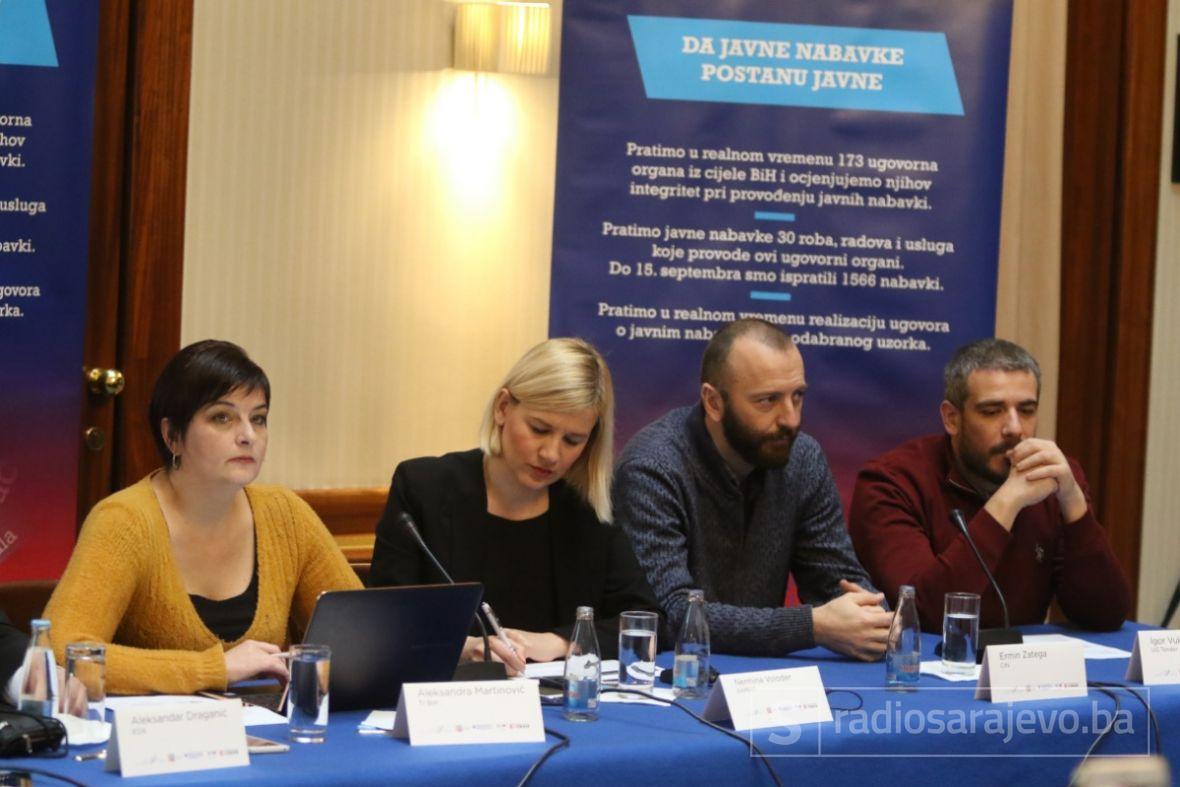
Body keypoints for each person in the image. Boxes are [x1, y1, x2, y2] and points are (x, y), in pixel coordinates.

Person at [44, 340, 361, 695]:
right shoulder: (124, 521)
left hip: (268, 723)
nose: (248, 436)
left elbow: (362, 634)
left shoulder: (285, 514)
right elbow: (60, 653)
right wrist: (214, 669)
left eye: (258, 418)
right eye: (222, 418)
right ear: (172, 436)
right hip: (157, 728)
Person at [368, 338, 658, 672]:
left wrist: (559, 642)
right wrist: (465, 648)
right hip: (449, 692)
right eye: (539, 429)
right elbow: (383, 624)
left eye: (572, 440)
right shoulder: (424, 488)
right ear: (503, 407)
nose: (551, 454)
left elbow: (647, 622)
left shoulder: (588, 508)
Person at [614, 319, 891, 661]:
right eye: (767, 400)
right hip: (675, 677)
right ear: (713, 402)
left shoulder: (802, 458)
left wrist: (870, 617)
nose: (790, 419)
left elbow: (838, 580)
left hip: (766, 678)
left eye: (797, 396)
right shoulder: (652, 467)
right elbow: (671, 615)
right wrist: (811, 626)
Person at [849, 338, 1130, 633]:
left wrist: (1073, 503)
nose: (1015, 429)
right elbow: (925, 616)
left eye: (1027, 410)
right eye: (992, 411)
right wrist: (1006, 503)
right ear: (952, 418)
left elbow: (1105, 615)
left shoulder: (1052, 479)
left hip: (1021, 659)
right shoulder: (891, 482)